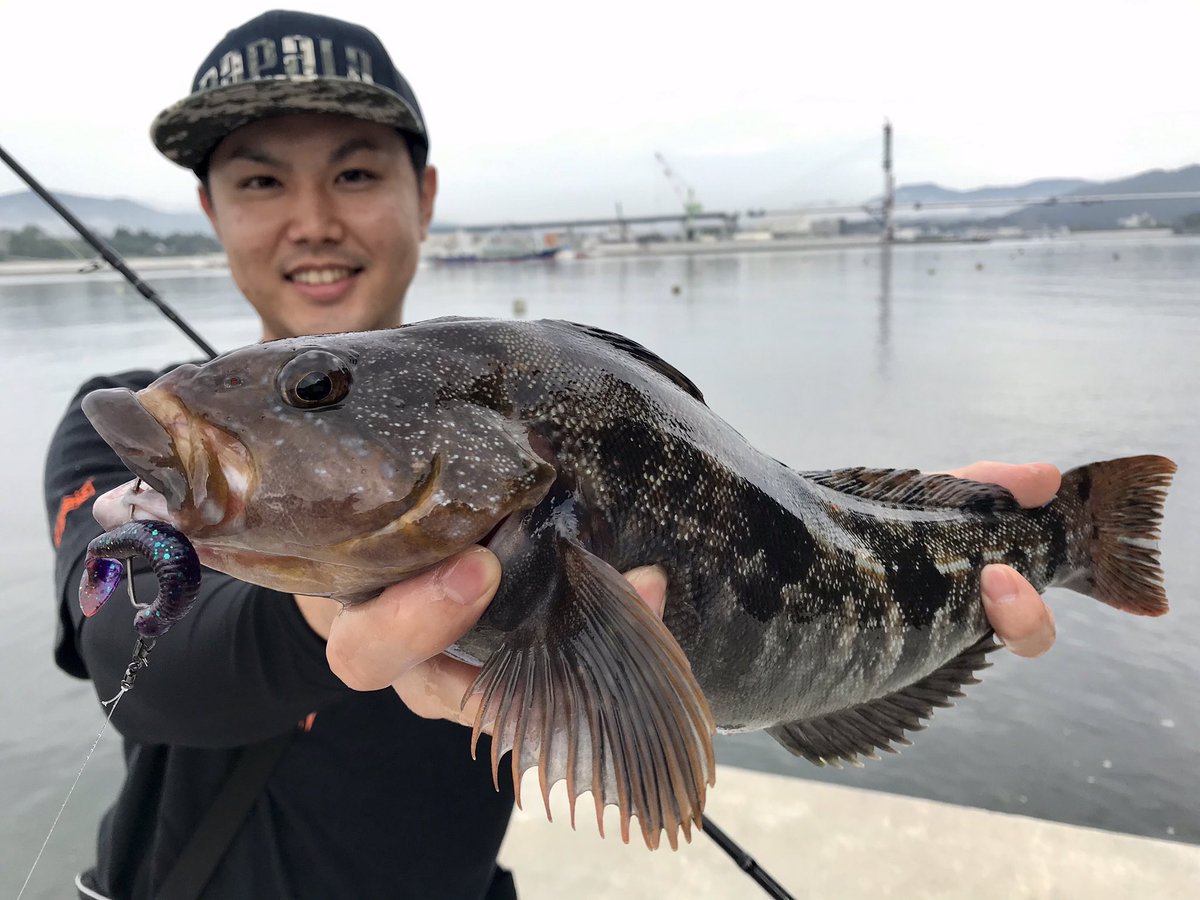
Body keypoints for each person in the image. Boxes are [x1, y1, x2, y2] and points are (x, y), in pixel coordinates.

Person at [44, 10, 1058, 900]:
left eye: (355, 173)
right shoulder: (124, 433)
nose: (313, 222)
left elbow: (713, 645)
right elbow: (132, 660)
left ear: (423, 195)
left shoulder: (522, 394)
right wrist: (333, 607)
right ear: (212, 210)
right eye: (261, 180)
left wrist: (942, 540)